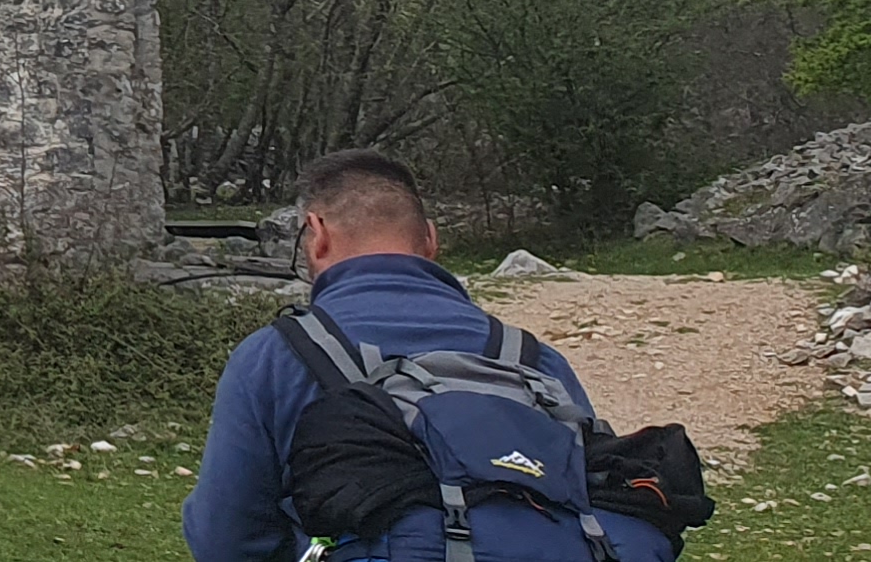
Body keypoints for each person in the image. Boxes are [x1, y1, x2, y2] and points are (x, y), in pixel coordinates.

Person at [181, 151, 678, 562]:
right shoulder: (531, 358)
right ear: (432, 241)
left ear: (317, 233)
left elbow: (226, 538)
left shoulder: (274, 357)